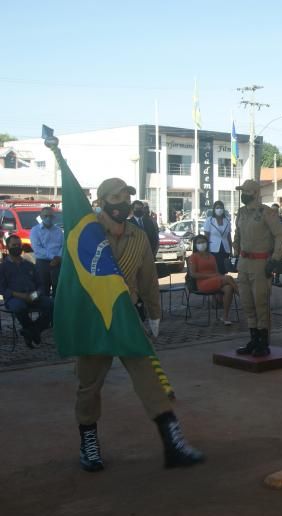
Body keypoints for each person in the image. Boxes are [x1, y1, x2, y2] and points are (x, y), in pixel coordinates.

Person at [75, 177, 203, 472]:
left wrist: (154, 315)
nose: (123, 201)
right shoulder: (87, 233)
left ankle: (173, 445)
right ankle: (89, 444)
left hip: (128, 317)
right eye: (116, 196)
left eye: (126, 195)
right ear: (103, 200)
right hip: (96, 319)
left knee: (150, 378)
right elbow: (72, 279)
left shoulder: (138, 235)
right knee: (89, 384)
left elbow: (148, 279)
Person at [232, 180, 282, 356]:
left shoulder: (266, 212)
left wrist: (275, 258)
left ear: (255, 193)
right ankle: (253, 339)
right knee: (247, 303)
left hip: (260, 263)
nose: (243, 194)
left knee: (260, 303)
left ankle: (263, 342)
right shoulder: (241, 212)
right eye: (243, 191)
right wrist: (235, 251)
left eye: (246, 192)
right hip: (244, 263)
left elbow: (281, 236)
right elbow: (238, 235)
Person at [0, 234, 53, 348]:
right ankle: (32, 332)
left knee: (52, 304)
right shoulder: (3, 267)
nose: (17, 247)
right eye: (14, 245)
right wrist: (20, 295)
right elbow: (2, 289)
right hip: (14, 298)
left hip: (32, 296)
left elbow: (40, 285)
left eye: (19, 245)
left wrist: (35, 294)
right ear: (8, 246)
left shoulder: (29, 265)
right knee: (19, 307)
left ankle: (32, 331)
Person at [188, 234, 238, 325]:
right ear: (195, 245)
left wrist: (217, 276)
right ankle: (241, 295)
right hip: (202, 283)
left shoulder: (211, 256)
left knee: (229, 288)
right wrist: (211, 276)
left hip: (214, 280)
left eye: (203, 242)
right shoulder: (193, 257)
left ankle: (225, 317)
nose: (201, 244)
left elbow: (216, 272)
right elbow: (193, 274)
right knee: (228, 278)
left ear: (207, 243)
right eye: (199, 243)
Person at [29, 205, 64, 297]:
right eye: (45, 216)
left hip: (58, 263)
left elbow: (63, 246)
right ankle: (45, 311)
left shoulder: (59, 231)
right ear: (41, 217)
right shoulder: (35, 230)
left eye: (51, 216)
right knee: (43, 289)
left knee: (59, 290)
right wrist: (53, 257)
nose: (48, 218)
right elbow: (37, 248)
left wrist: (58, 257)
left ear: (54, 217)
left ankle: (56, 310)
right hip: (43, 263)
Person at [202, 200, 233, 276]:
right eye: (217, 208)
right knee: (215, 269)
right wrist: (206, 250)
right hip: (213, 249)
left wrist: (231, 250)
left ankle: (223, 284)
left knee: (223, 269)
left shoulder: (227, 220)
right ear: (214, 209)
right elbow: (206, 236)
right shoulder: (209, 220)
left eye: (221, 208)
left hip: (225, 249)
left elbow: (229, 236)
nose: (219, 209)